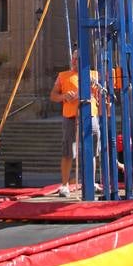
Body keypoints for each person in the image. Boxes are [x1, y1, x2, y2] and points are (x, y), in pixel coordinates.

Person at [49, 48, 101, 198]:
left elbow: (100, 96)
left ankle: (90, 181)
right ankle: (64, 184)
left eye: (77, 58)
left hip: (90, 115)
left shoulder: (93, 75)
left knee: (91, 150)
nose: (74, 61)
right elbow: (53, 95)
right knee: (68, 151)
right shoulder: (63, 76)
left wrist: (96, 90)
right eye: (73, 58)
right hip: (70, 116)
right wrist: (65, 96)